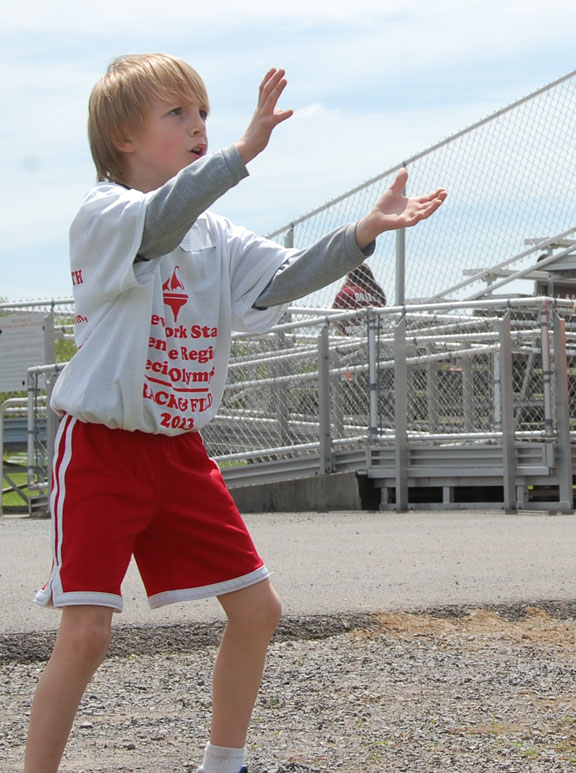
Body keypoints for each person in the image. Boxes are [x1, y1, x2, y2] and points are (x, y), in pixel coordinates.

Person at [24, 53, 447, 773]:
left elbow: (283, 276)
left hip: (180, 450)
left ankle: (225, 763)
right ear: (123, 136)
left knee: (259, 609)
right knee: (88, 632)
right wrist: (241, 152)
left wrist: (359, 236)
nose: (198, 127)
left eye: (204, 115)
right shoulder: (106, 214)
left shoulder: (216, 236)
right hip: (101, 447)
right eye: (177, 114)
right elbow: (160, 221)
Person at [332, 263, 387, 335]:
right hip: (375, 334)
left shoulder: (346, 293)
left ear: (351, 276)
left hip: (349, 337)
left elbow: (333, 317)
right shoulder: (376, 294)